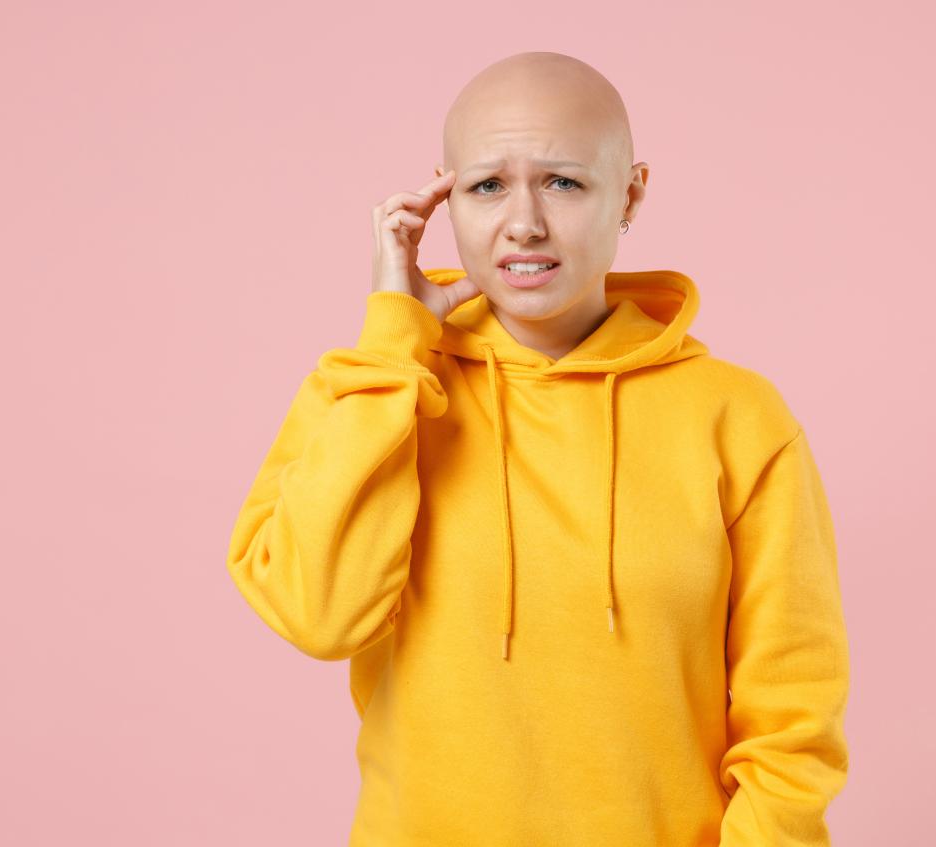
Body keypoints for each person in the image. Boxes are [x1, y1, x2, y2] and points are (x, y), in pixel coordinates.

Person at [226, 51, 850, 847]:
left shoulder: (736, 415)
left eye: (562, 181)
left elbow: (793, 712)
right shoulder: (375, 389)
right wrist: (394, 341)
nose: (523, 222)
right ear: (444, 195)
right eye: (488, 185)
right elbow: (318, 615)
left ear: (629, 194)